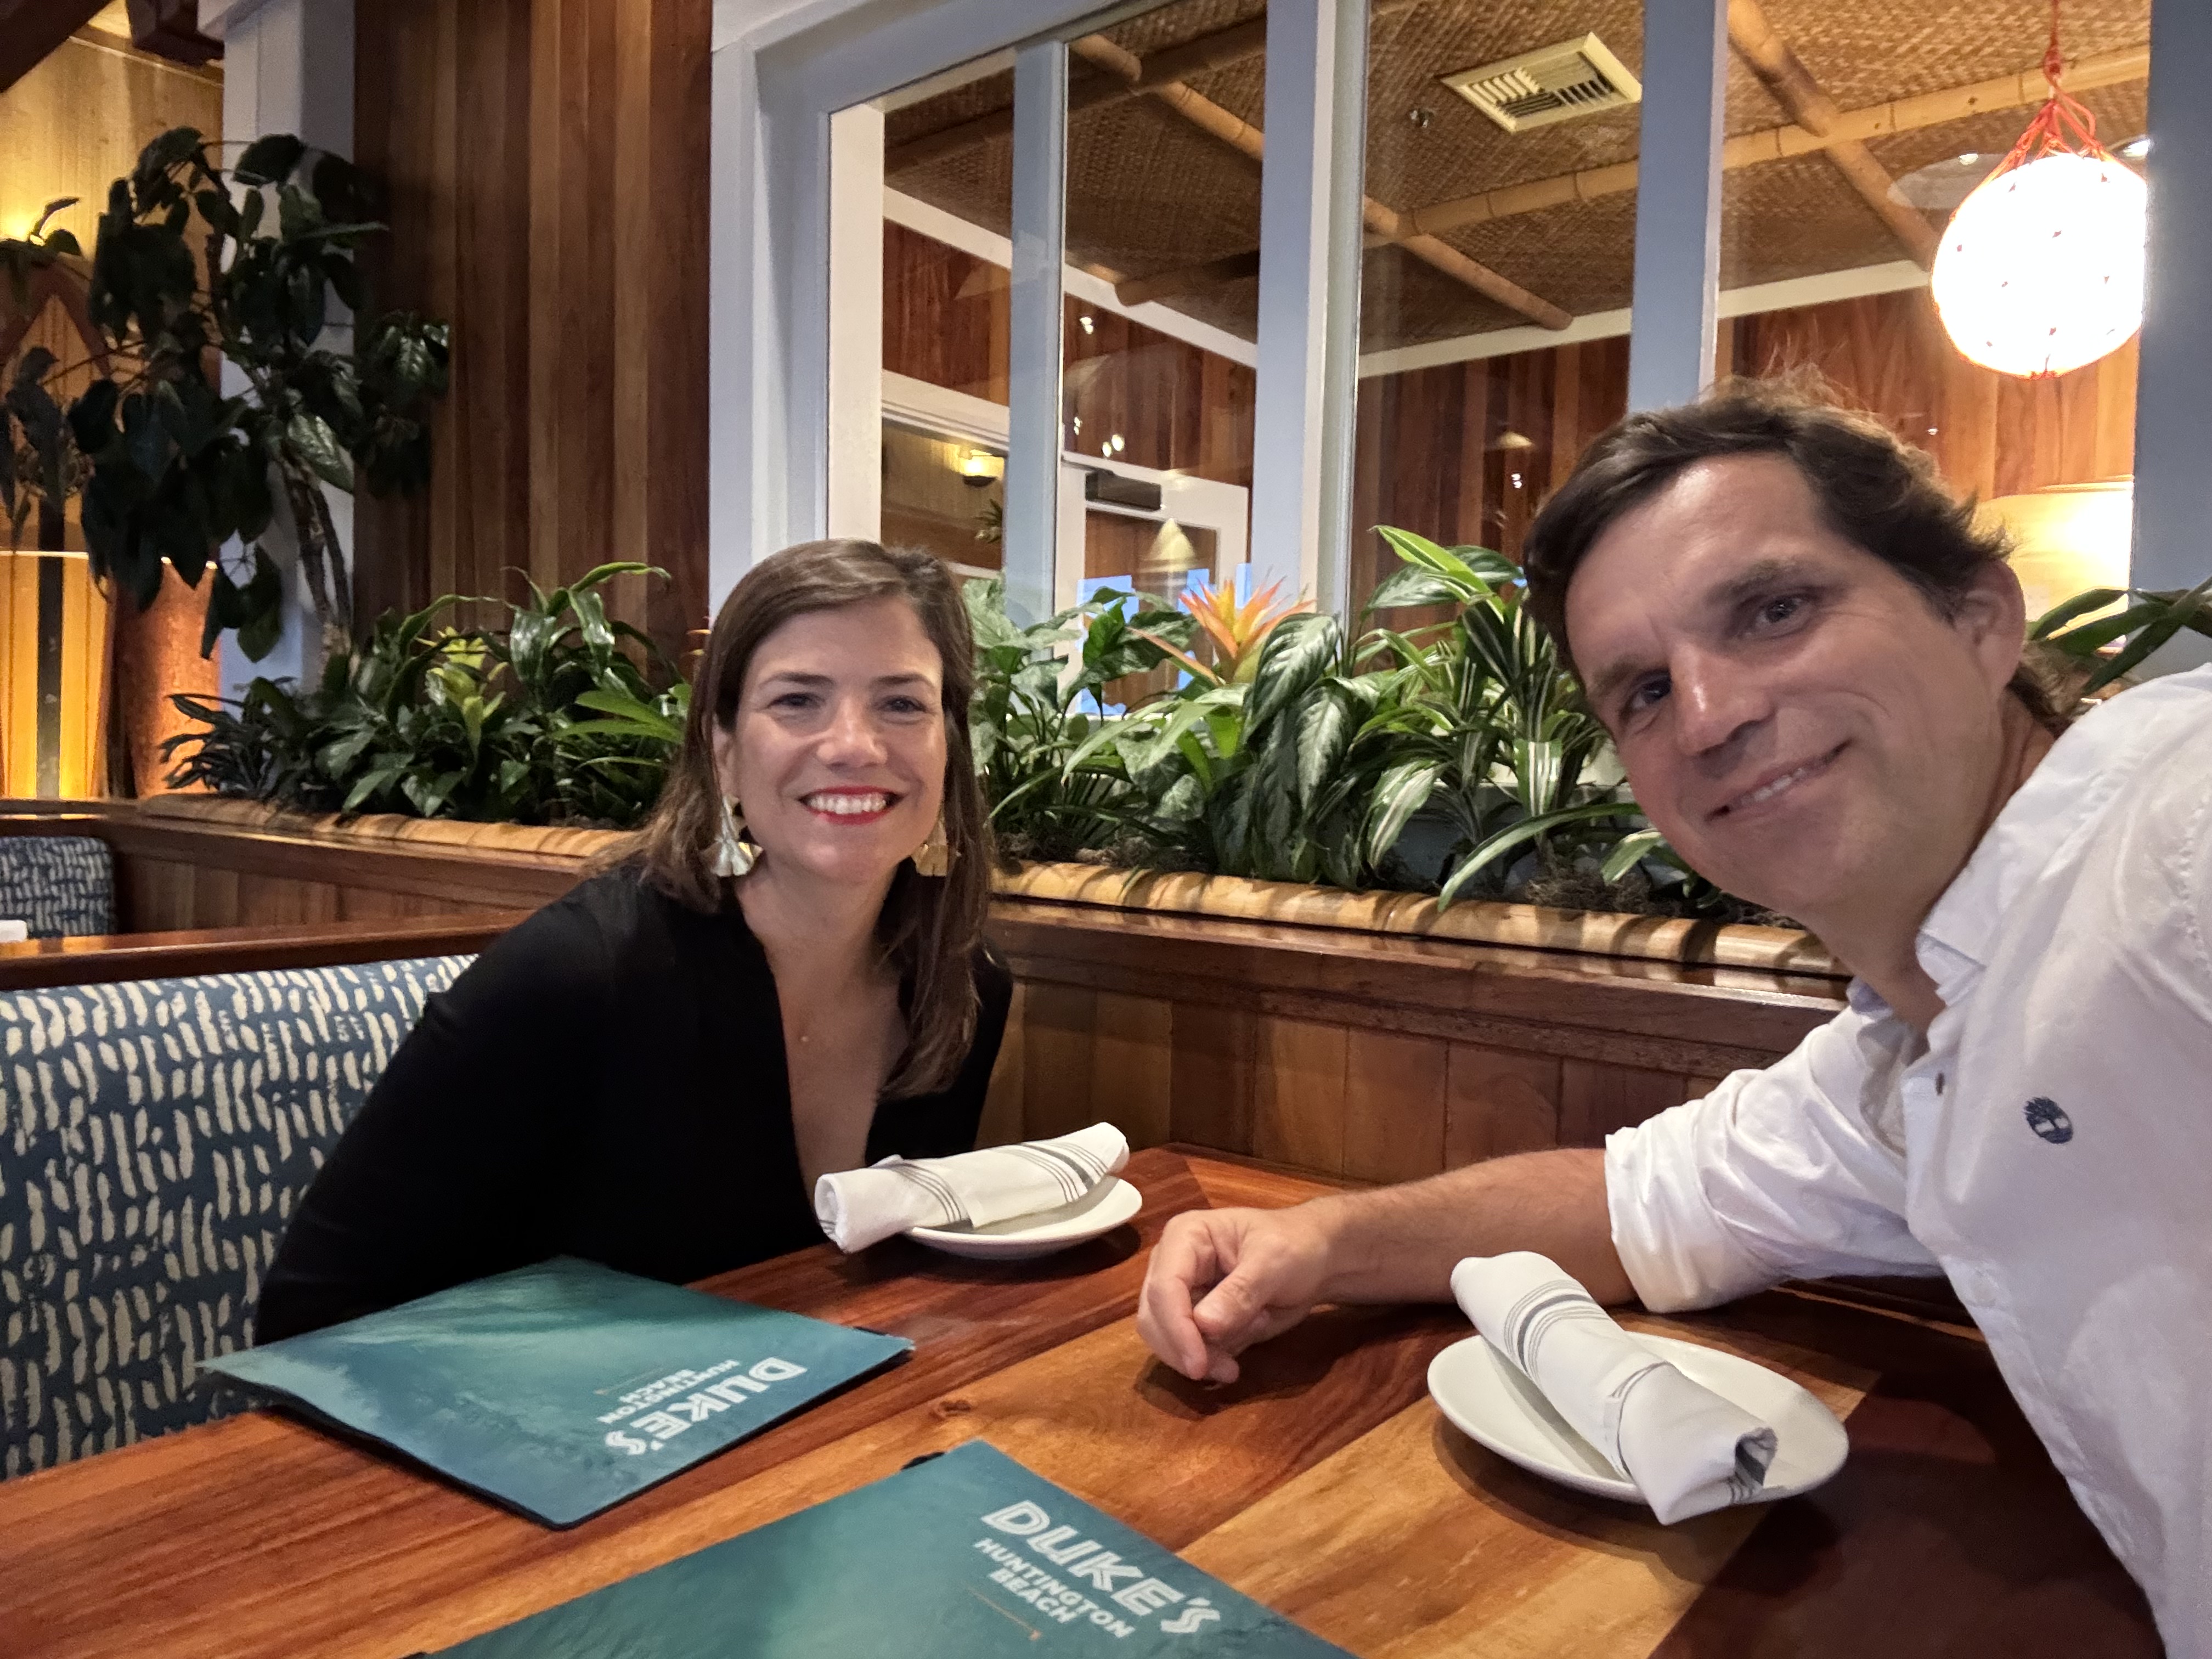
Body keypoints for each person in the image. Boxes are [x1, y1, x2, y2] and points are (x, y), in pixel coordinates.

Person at [1136, 382, 2210, 1652]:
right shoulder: (1914, 1046)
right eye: (1642, 691)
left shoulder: (2170, 840)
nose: (1709, 716)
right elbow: (1644, 1200)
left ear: (1977, 617)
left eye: (1775, 610)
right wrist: (1316, 1243)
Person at [257, 539, 1012, 1340]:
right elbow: (310, 1313)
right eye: (797, 701)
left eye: (902, 704)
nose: (855, 744)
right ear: (724, 754)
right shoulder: (577, 976)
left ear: (949, 746)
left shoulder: (960, 987)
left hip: (794, 1436)